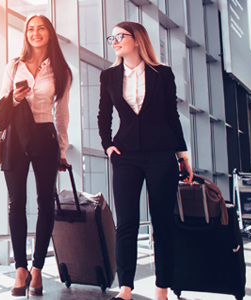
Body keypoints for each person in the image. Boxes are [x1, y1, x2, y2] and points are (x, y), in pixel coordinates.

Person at [97, 22, 193, 300]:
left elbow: (171, 116)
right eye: (111, 37)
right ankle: (125, 288)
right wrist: (108, 146)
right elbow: (104, 116)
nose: (114, 41)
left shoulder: (162, 74)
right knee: (126, 222)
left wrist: (182, 155)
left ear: (137, 40)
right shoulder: (109, 76)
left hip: (161, 154)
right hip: (125, 155)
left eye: (120, 36)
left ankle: (162, 288)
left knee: (163, 222)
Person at [0, 14, 72, 297]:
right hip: (16, 136)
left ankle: (37, 267)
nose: (35, 33)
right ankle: (20, 269)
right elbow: (1, 106)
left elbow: (61, 115)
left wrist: (62, 149)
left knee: (45, 204)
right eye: (30, 29)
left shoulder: (62, 70)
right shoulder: (14, 66)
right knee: (16, 203)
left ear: (49, 33)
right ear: (25, 34)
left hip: (45, 137)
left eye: (41, 29)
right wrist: (15, 97)